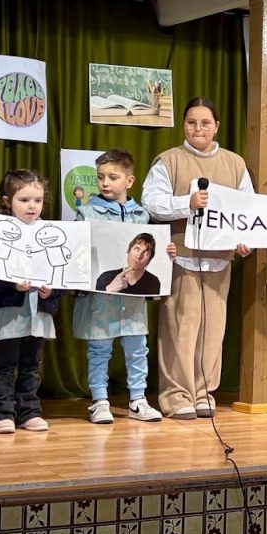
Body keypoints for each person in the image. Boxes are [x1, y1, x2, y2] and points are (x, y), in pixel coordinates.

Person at [143, 97, 253, 419]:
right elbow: (152, 203)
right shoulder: (169, 160)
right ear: (183, 125)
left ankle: (204, 392)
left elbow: (245, 209)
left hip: (219, 259)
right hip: (182, 258)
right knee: (181, 328)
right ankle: (176, 396)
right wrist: (187, 203)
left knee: (212, 330)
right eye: (192, 122)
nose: (198, 129)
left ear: (216, 126)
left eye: (205, 123)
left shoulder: (235, 163)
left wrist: (245, 241)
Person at [74, 149, 171, 424]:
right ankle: (100, 400)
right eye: (100, 177)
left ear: (129, 181)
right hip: (100, 300)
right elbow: (78, 251)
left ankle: (137, 399)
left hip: (133, 302)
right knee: (99, 349)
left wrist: (166, 253)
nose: (105, 183)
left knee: (137, 348)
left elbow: (154, 252)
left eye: (113, 177)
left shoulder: (142, 215)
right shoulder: (86, 212)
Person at [0, 170, 63, 434]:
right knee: (5, 364)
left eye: (37, 200)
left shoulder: (51, 233)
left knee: (31, 364)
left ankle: (29, 411)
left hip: (38, 311)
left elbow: (64, 271)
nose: (32, 206)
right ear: (7, 201)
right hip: (8, 310)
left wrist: (53, 291)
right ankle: (2, 412)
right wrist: (11, 284)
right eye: (24, 199)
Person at [95, 234, 162, 296]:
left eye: (145, 253)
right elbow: (93, 306)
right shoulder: (106, 277)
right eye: (137, 249)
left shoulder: (153, 282)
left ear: (149, 261)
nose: (139, 256)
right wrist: (108, 291)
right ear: (129, 251)